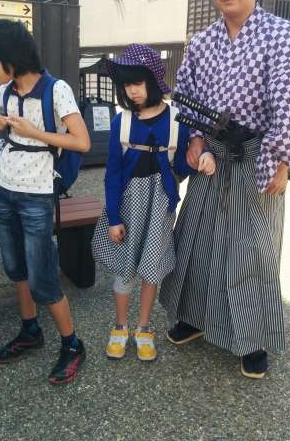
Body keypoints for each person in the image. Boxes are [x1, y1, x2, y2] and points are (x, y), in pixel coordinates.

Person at [159, 0, 290, 378]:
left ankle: (252, 339)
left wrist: (282, 161)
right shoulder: (202, 42)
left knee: (251, 249)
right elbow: (186, 97)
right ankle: (193, 316)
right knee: (197, 238)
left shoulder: (282, 35)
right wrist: (195, 141)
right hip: (211, 155)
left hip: (259, 154)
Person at [0, 19, 90, 385]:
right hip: (4, 191)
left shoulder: (56, 90)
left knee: (43, 276)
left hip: (37, 194)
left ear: (11, 56)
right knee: (16, 268)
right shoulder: (5, 91)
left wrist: (35, 132)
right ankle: (30, 330)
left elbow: (81, 141)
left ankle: (72, 344)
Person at [91, 44, 215, 362]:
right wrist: (114, 217)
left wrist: (202, 156)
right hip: (128, 205)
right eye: (126, 85)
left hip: (161, 205)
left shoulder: (177, 120)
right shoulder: (121, 121)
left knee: (151, 268)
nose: (132, 91)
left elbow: (182, 165)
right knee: (125, 267)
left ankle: (144, 327)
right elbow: (113, 173)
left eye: (138, 82)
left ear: (154, 80)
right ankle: (120, 325)